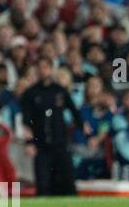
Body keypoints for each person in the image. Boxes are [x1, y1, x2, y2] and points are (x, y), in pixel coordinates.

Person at [18, 57, 85, 196]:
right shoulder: (31, 93)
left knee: (69, 182)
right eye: (40, 68)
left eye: (45, 67)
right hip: (41, 146)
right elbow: (26, 122)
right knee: (43, 185)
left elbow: (74, 111)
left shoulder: (59, 91)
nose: (42, 71)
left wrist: (82, 126)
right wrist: (30, 142)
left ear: (51, 69)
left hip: (60, 144)